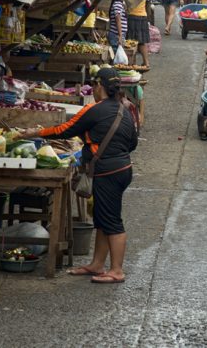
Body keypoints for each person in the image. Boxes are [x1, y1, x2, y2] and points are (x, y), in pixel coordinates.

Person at [18, 68, 139, 284]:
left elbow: (64, 130)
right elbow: (133, 143)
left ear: (99, 86)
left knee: (112, 221)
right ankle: (97, 264)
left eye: (94, 85)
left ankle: (117, 270)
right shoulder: (125, 111)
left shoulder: (94, 110)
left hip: (108, 172)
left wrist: (35, 133)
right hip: (122, 170)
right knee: (102, 219)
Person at [126, 0, 151, 68]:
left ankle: (133, 63)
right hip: (142, 16)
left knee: (132, 41)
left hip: (134, 15)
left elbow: (128, 1)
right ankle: (146, 63)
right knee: (142, 42)